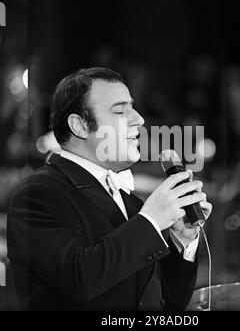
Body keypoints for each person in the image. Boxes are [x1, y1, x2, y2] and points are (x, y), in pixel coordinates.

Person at [7, 67, 212, 311]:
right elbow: (79, 281)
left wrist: (182, 239)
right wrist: (152, 220)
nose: (139, 119)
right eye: (120, 110)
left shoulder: (132, 203)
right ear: (80, 125)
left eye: (133, 107)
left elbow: (171, 301)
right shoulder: (40, 193)